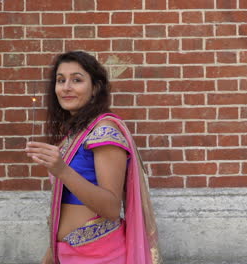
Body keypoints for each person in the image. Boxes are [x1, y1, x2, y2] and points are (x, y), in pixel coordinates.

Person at [25, 51, 161, 264]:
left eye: (76, 80)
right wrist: (50, 257)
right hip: (65, 253)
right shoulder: (75, 133)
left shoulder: (103, 131)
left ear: (95, 88)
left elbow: (111, 208)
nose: (66, 87)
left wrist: (62, 170)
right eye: (61, 80)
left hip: (99, 255)